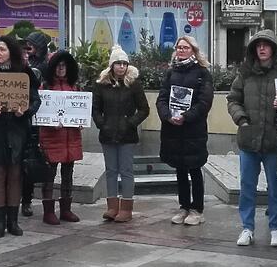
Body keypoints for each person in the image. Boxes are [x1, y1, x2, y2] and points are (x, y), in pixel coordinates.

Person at [228, 29, 277, 247]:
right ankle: (247, 228)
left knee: (276, 188)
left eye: (266, 45)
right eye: (258, 45)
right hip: (249, 139)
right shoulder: (245, 72)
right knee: (247, 186)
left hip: (275, 140)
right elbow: (233, 100)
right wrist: (242, 121)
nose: (262, 48)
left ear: (274, 48)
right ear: (253, 49)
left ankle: (275, 228)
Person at [0, 36, 41, 238]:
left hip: (18, 131)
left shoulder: (25, 72)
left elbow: (36, 100)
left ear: (10, 51)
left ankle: (13, 221)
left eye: (2, 49)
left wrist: (25, 110)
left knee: (15, 175)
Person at [158, 36, 214, 226]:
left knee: (195, 169)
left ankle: (197, 209)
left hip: (193, 130)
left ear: (193, 50)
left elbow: (205, 102)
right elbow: (162, 98)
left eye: (185, 47)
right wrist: (167, 115)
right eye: (179, 47)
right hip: (173, 130)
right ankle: (184, 206)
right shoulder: (170, 72)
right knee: (180, 169)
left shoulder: (202, 73)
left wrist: (186, 116)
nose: (181, 50)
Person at [93, 45, 149, 223]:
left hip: (127, 135)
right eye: (118, 63)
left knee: (126, 170)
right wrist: (102, 124)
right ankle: (112, 206)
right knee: (110, 170)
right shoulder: (101, 85)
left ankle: (126, 208)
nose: (121, 67)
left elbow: (144, 109)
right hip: (108, 134)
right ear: (112, 65)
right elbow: (95, 109)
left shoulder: (134, 85)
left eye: (124, 63)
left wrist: (130, 123)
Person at [38, 50, 84, 225]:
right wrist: (50, 123)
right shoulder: (46, 87)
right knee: (49, 176)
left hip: (70, 138)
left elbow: (81, 110)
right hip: (51, 138)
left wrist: (80, 121)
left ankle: (66, 210)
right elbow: (40, 113)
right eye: (58, 66)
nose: (61, 69)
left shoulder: (75, 87)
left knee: (68, 174)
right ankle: (48, 212)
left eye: (64, 66)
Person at [20, 31, 52, 217]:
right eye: (26, 43)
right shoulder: (21, 64)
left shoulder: (46, 67)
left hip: (39, 119)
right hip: (22, 118)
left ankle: (27, 200)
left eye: (31, 44)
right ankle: (20, 199)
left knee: (32, 162)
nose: (28, 46)